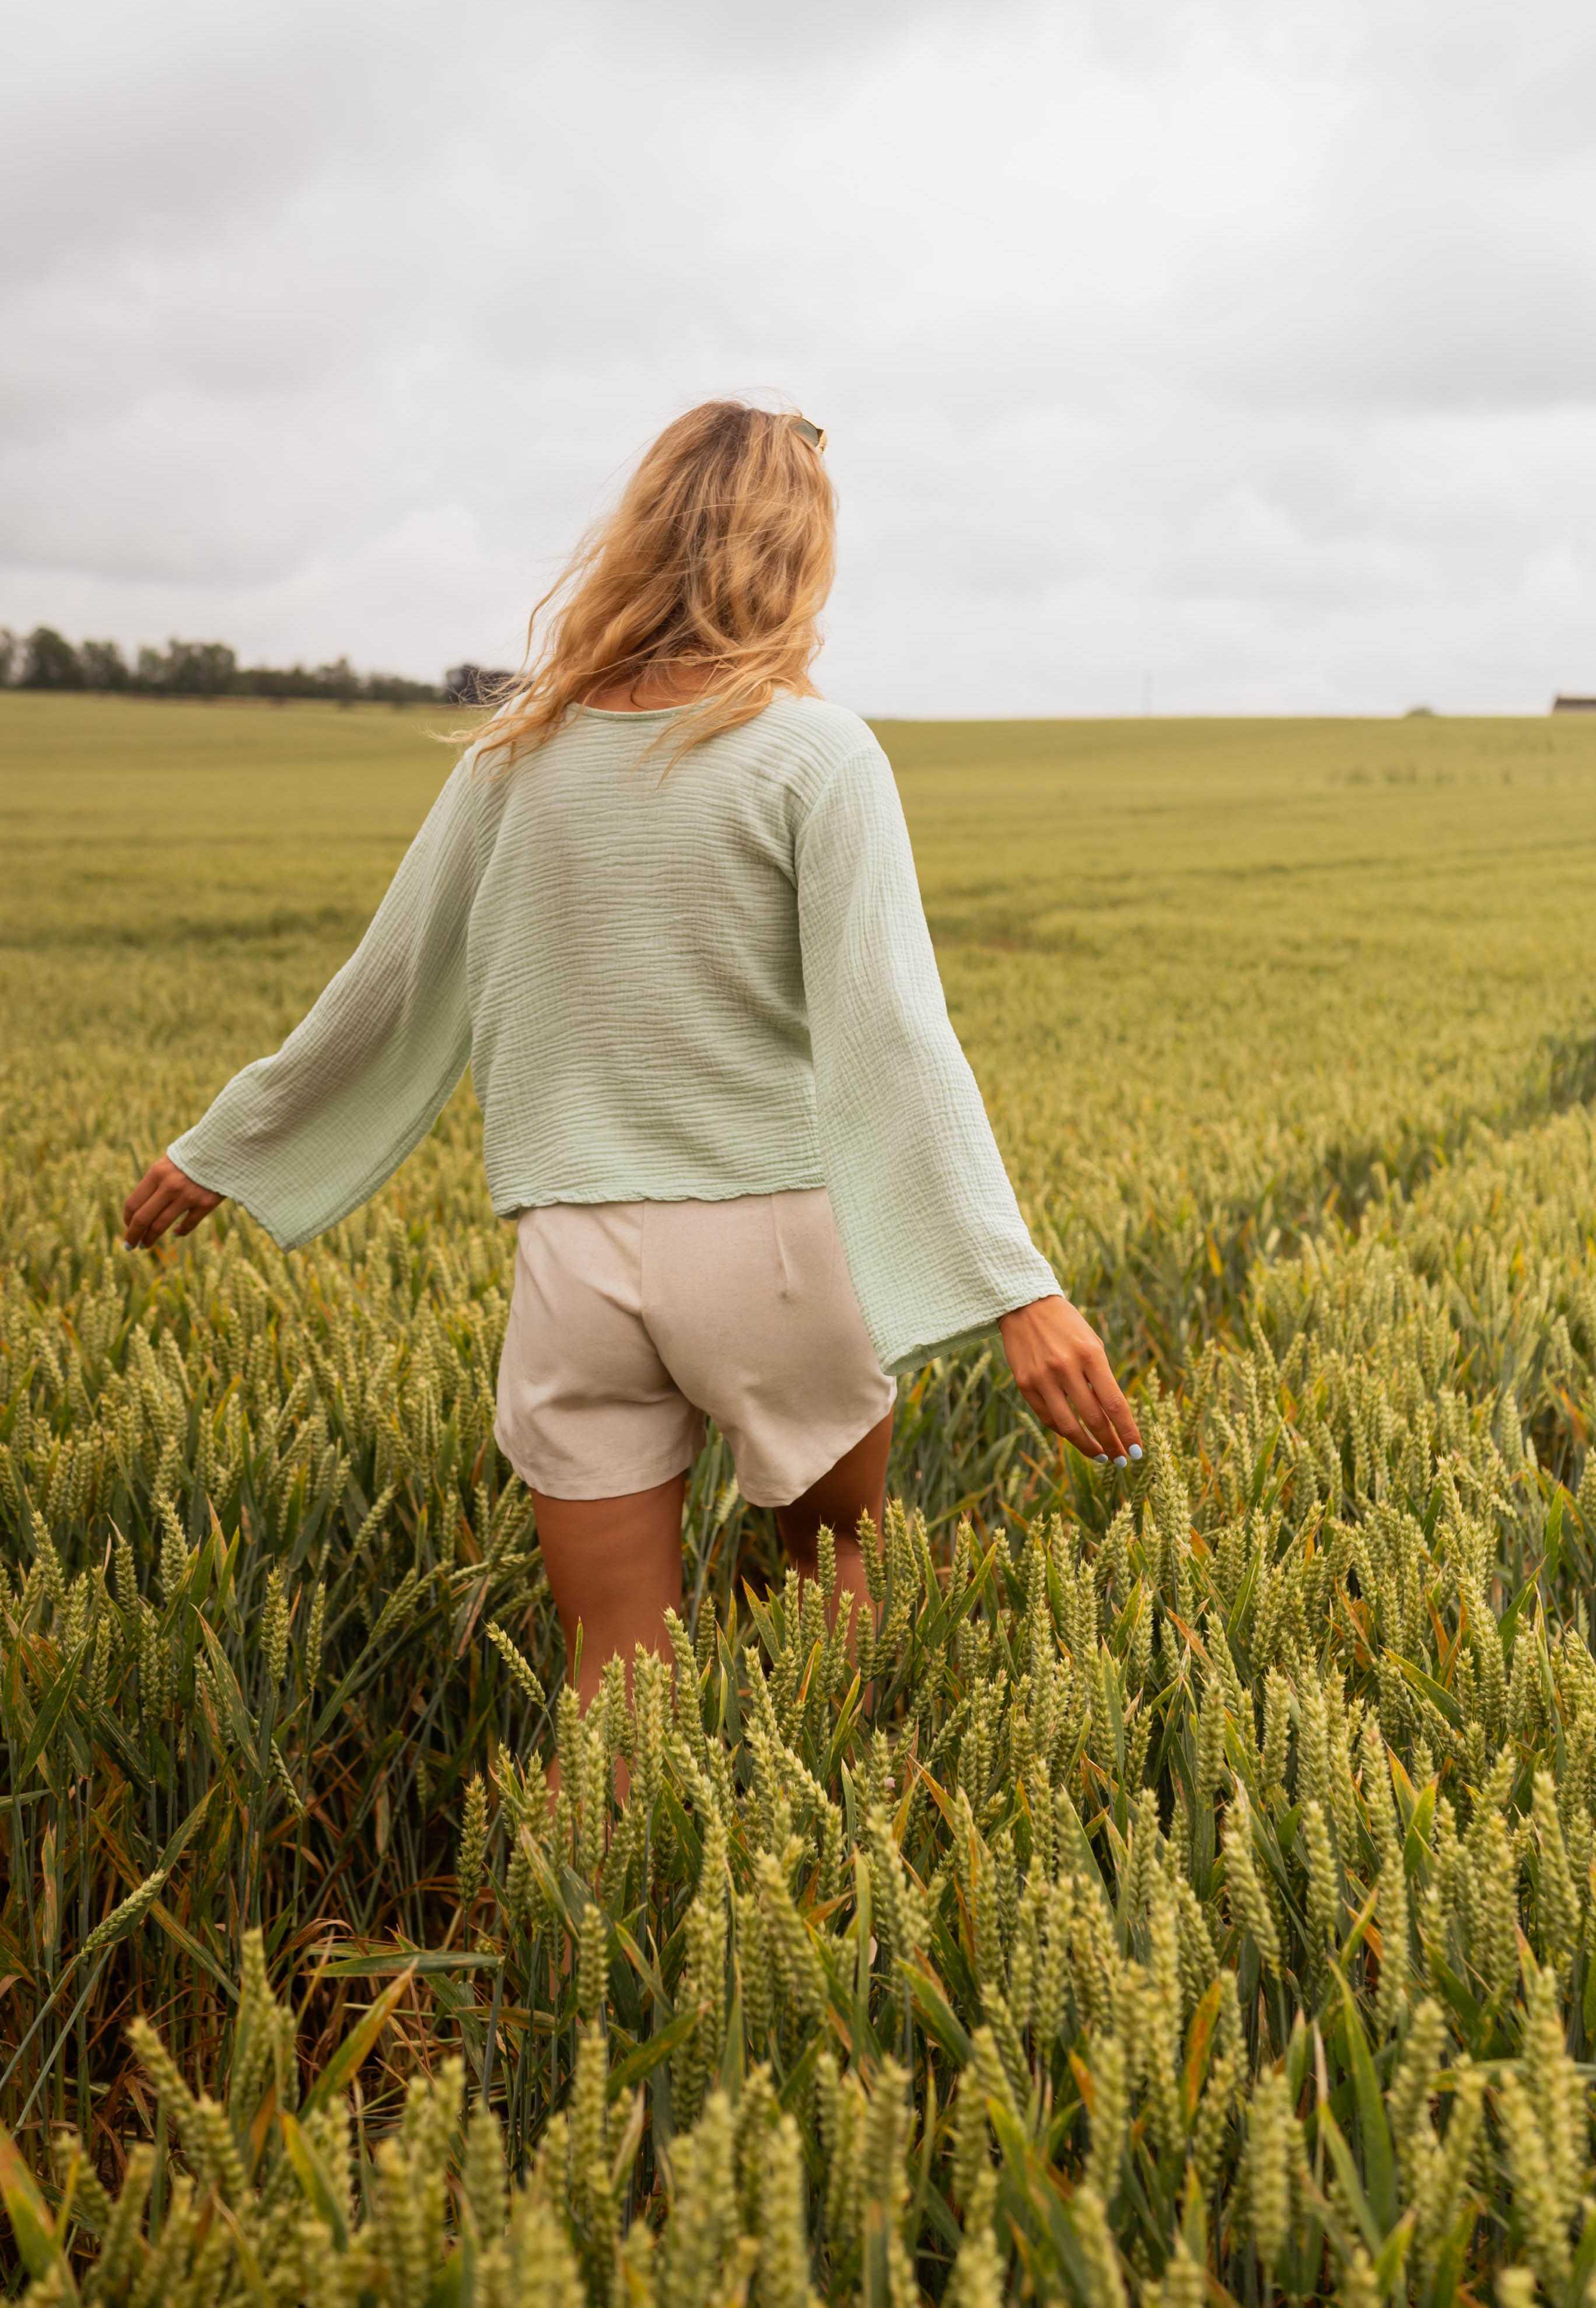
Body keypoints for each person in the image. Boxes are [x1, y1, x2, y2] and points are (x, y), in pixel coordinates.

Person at [123, 400, 1142, 1707]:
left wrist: (225, 1148)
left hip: (574, 1261)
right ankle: (822, 1885)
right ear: (800, 555)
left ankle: (583, 1913)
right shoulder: (815, 755)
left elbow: (385, 988)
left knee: (616, 1673)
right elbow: (893, 1034)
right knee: (842, 1606)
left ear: (642, 532)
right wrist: (1018, 1287)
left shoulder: (513, 757)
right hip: (776, 1245)